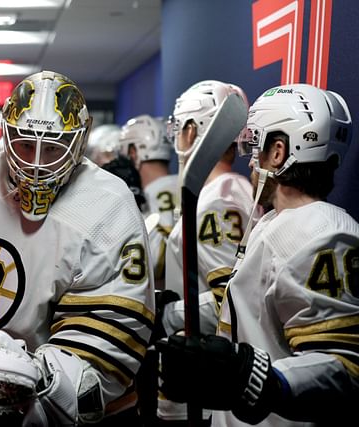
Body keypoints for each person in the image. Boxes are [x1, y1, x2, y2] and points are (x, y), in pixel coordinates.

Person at [0, 70, 156, 425]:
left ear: (79, 141)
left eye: (54, 147)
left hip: (37, 413)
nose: (37, 163)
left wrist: (31, 385)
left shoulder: (110, 203)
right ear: (8, 133)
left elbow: (110, 340)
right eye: (26, 143)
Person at [156, 83, 359, 426]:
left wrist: (259, 379)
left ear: (278, 152)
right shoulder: (275, 222)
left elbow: (343, 364)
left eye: (255, 145)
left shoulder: (321, 232)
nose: (249, 160)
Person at [156, 80, 261, 424]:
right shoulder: (232, 190)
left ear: (191, 130)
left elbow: (228, 299)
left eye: (178, 126)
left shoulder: (217, 200)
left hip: (204, 378)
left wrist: (166, 313)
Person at [118, 114, 178, 289]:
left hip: (163, 303)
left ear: (133, 153)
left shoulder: (145, 198)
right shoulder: (190, 187)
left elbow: (153, 262)